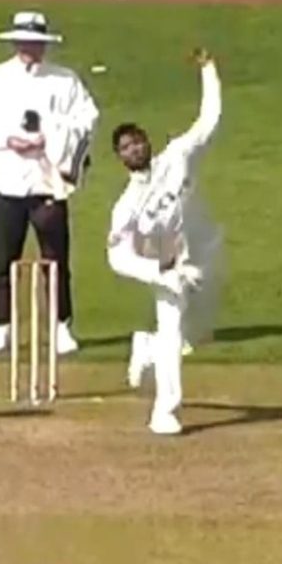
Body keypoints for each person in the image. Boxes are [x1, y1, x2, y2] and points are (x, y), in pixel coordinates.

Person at [0, 10, 100, 355]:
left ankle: (61, 326)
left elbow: (88, 118)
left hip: (48, 182)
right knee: (5, 259)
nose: (29, 48)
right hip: (6, 181)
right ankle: (3, 326)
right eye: (24, 42)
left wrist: (52, 139)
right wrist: (9, 140)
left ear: (44, 45)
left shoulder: (64, 80)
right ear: (14, 43)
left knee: (55, 259)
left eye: (35, 43)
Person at [105, 48, 224, 435]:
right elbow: (116, 256)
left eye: (137, 142)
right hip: (166, 266)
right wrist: (158, 272)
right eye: (125, 148)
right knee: (173, 332)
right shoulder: (126, 206)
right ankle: (165, 411)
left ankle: (146, 346)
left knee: (195, 334)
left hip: (202, 253)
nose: (134, 150)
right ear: (119, 158)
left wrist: (208, 70)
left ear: (147, 142)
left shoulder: (178, 156)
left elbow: (209, 121)